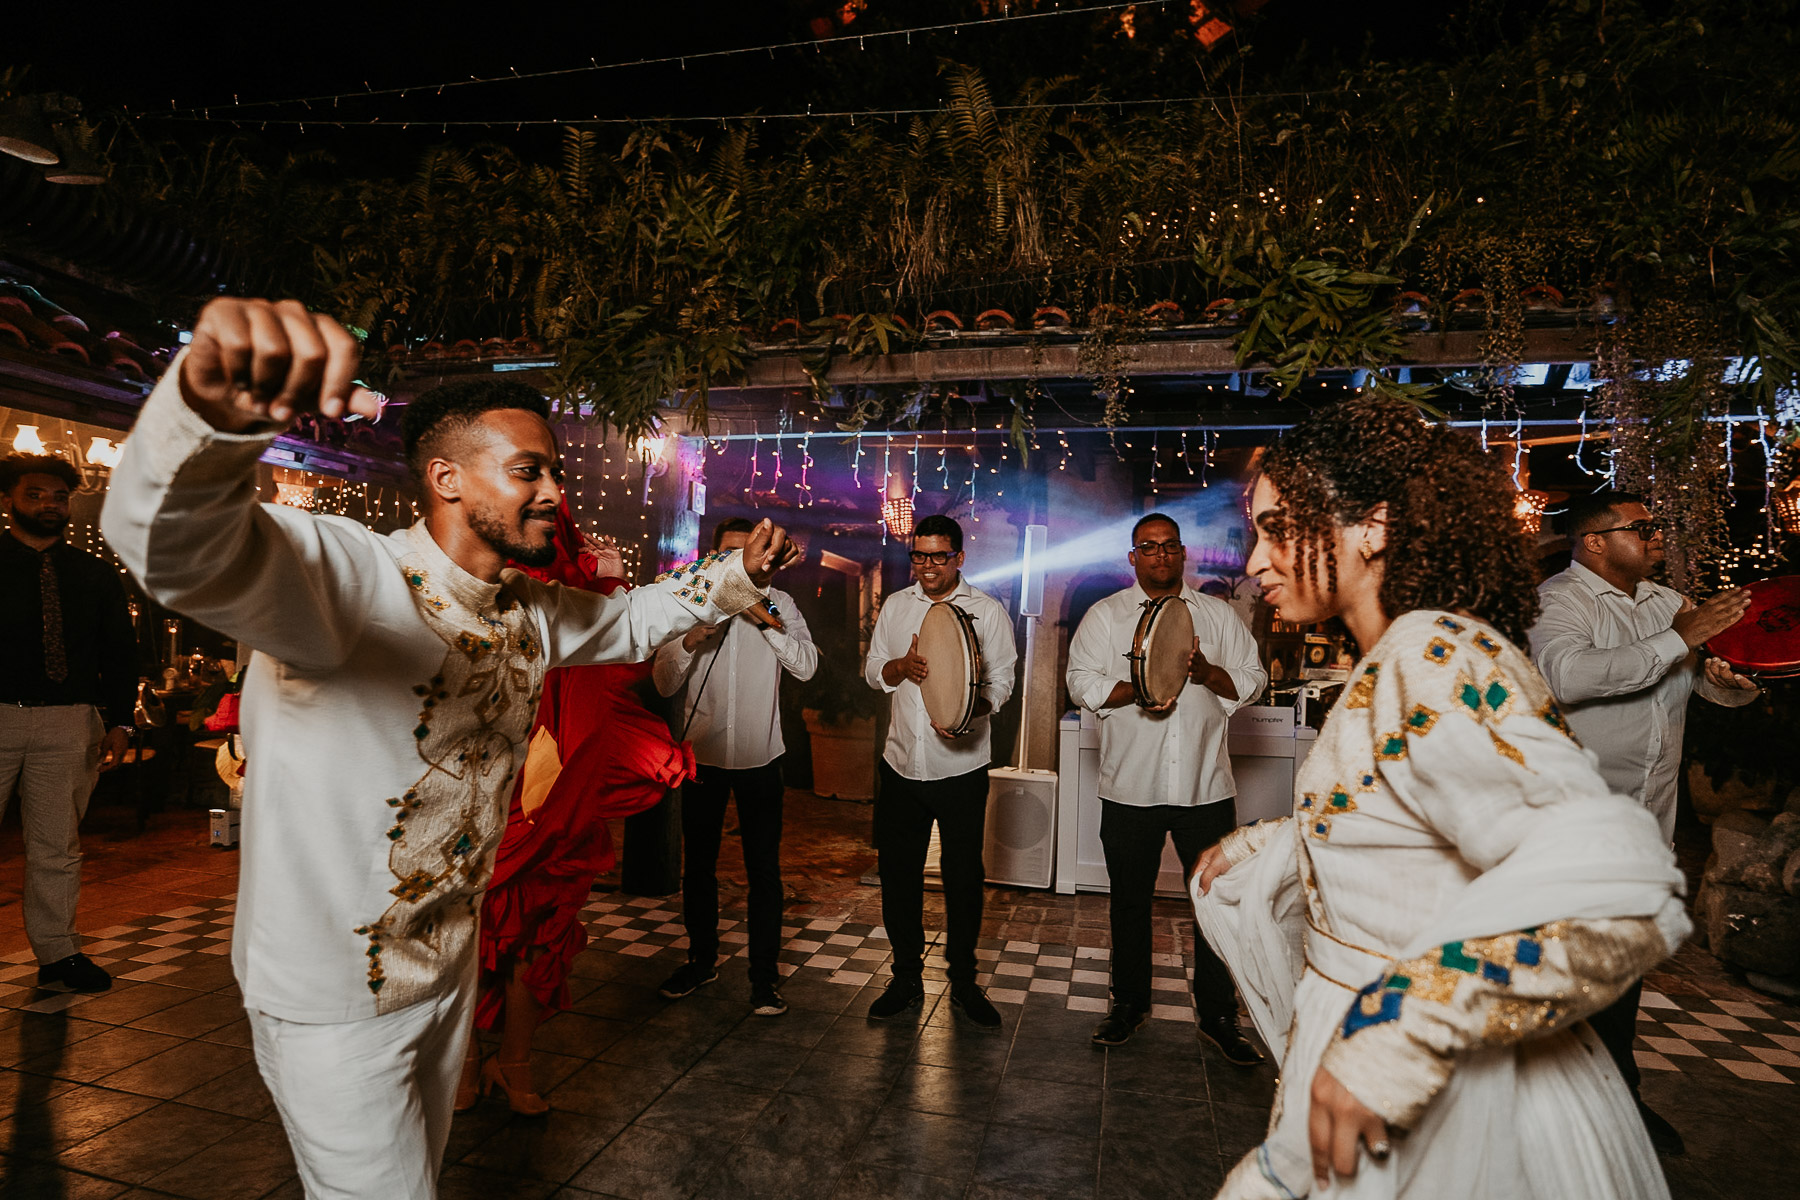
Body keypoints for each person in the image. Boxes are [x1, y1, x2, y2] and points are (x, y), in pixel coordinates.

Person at [101, 297, 794, 1200]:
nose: (554, 492)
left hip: (445, 973)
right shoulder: (351, 579)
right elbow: (174, 548)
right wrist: (211, 416)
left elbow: (630, 619)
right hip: (334, 999)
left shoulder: (527, 608)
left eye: (553, 471)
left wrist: (735, 575)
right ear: (448, 479)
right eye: (528, 470)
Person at [1192, 396, 1688, 1200]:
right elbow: (1406, 824)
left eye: (1279, 528)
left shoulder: (1431, 656)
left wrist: (1394, 1046)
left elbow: (1619, 892)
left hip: (1445, 1095)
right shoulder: (1400, 656)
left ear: (1373, 527)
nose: (1254, 561)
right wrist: (1272, 843)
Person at [1529, 489, 1758, 1155]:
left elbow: (1697, 683)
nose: (1658, 537)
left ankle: (1615, 1100)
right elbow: (1567, 676)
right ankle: (1551, 1113)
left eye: (1657, 527)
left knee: (1622, 975)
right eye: (1644, 528)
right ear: (1594, 541)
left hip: (1646, 825)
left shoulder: (1667, 604)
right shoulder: (1558, 601)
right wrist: (1680, 639)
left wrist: (1727, 683)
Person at [462, 504, 697, 1116]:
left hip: (558, 774)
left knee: (537, 933)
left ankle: (512, 1063)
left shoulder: (581, 585)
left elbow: (624, 656)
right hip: (486, 778)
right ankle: (461, 1062)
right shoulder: (470, 576)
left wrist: (612, 582)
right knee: (470, 930)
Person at [1065, 513, 1267, 1059]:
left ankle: (1219, 1016)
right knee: (1129, 903)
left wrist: (1204, 674)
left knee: (1214, 901)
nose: (1160, 555)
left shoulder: (1219, 616)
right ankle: (1129, 1005)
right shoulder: (1104, 617)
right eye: (1148, 547)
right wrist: (1143, 687)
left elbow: (1253, 678)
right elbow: (1079, 680)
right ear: (1133, 557)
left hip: (1206, 787)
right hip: (1130, 788)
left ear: (1183, 554)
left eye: (1170, 546)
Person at [653, 516, 818, 1018]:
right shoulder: (688, 598)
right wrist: (688, 641)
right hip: (701, 757)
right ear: (713, 556)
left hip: (760, 758)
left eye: (745, 551)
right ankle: (702, 960)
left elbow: (808, 666)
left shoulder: (782, 604)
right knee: (698, 867)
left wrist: (766, 624)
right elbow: (662, 682)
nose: (736, 561)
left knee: (763, 870)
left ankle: (764, 978)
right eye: (726, 552)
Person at [862, 513, 1017, 1027]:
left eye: (939, 556)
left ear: (960, 558)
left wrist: (969, 711)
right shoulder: (896, 605)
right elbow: (873, 671)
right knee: (898, 876)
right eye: (919, 555)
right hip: (902, 764)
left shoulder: (987, 612)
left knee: (963, 878)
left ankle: (964, 982)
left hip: (962, 767)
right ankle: (905, 977)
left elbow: (1002, 683)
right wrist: (900, 668)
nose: (928, 566)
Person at [1, 453, 137, 993]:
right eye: (36, 494)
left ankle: (59, 955)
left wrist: (123, 721)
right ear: (9, 498)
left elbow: (120, 653)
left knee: (58, 847)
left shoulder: (96, 574)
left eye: (59, 497)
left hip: (70, 723)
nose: (50, 505)